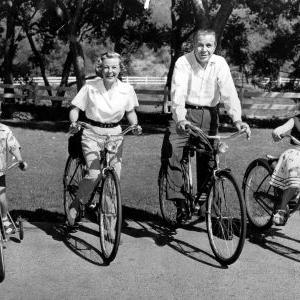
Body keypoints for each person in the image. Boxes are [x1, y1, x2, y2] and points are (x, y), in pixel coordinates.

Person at [161, 28, 251, 223]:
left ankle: (210, 212)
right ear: (193, 45)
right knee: (173, 152)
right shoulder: (183, 62)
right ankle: (180, 202)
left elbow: (228, 93)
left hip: (209, 115)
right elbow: (178, 93)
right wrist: (181, 118)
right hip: (184, 112)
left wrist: (237, 120)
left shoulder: (220, 64)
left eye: (209, 45)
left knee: (210, 161)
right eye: (200, 45)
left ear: (215, 46)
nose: (204, 49)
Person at [67, 51, 141, 226]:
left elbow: (131, 113)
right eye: (106, 67)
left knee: (112, 181)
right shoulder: (90, 86)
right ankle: (77, 203)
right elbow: (75, 108)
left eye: (114, 67)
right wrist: (74, 122)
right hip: (91, 133)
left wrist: (135, 126)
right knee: (94, 174)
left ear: (120, 68)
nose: (110, 71)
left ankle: (110, 227)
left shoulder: (127, 89)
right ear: (100, 68)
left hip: (115, 135)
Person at [270, 114, 300, 225]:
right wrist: (277, 133)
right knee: (295, 178)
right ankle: (281, 210)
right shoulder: (295, 120)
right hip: (295, 153)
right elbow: (280, 129)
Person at [0, 123, 27, 234]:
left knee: (1, 197)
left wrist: (20, 160)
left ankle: (4, 218)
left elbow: (13, 146)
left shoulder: (4, 130)